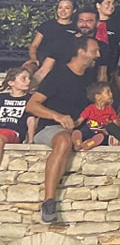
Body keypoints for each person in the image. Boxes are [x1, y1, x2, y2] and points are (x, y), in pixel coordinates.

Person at [26, 35, 101, 223]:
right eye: (95, 51)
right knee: (64, 140)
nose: (98, 55)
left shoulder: (89, 78)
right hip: (50, 128)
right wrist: (57, 116)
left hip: (77, 130)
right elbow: (32, 105)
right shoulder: (58, 74)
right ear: (81, 52)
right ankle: (49, 202)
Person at [26, 0, 78, 75]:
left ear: (74, 10)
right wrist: (34, 59)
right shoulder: (47, 25)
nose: (63, 11)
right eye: (60, 8)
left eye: (67, 8)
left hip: (64, 64)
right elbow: (34, 46)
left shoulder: (76, 28)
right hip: (42, 62)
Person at [0, 66, 35, 166]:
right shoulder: (2, 98)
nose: (28, 81)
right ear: (11, 82)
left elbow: (31, 120)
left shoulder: (30, 99)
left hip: (13, 132)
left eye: (29, 78)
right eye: (23, 78)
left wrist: (31, 140)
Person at [94, 0, 120, 91]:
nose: (111, 6)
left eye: (113, 3)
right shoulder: (90, 22)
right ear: (98, 5)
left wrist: (118, 68)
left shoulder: (118, 25)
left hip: (110, 67)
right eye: (108, 3)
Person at [72, 81, 120, 150]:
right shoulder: (90, 108)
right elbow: (79, 120)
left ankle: (89, 144)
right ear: (98, 97)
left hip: (101, 131)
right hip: (89, 128)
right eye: (108, 92)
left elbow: (116, 123)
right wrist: (73, 124)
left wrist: (112, 124)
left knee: (102, 137)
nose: (111, 94)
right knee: (81, 132)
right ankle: (78, 143)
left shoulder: (110, 109)